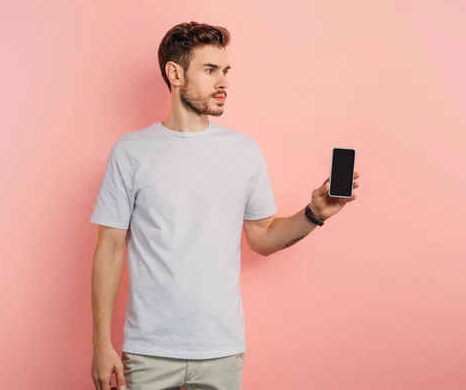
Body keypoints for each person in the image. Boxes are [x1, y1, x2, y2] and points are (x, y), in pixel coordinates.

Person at [89, 21, 360, 390]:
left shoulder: (243, 152)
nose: (223, 83)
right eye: (210, 70)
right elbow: (109, 250)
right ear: (175, 74)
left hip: (221, 350)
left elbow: (261, 238)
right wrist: (101, 344)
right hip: (149, 350)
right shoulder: (131, 151)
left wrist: (314, 214)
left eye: (226, 71)